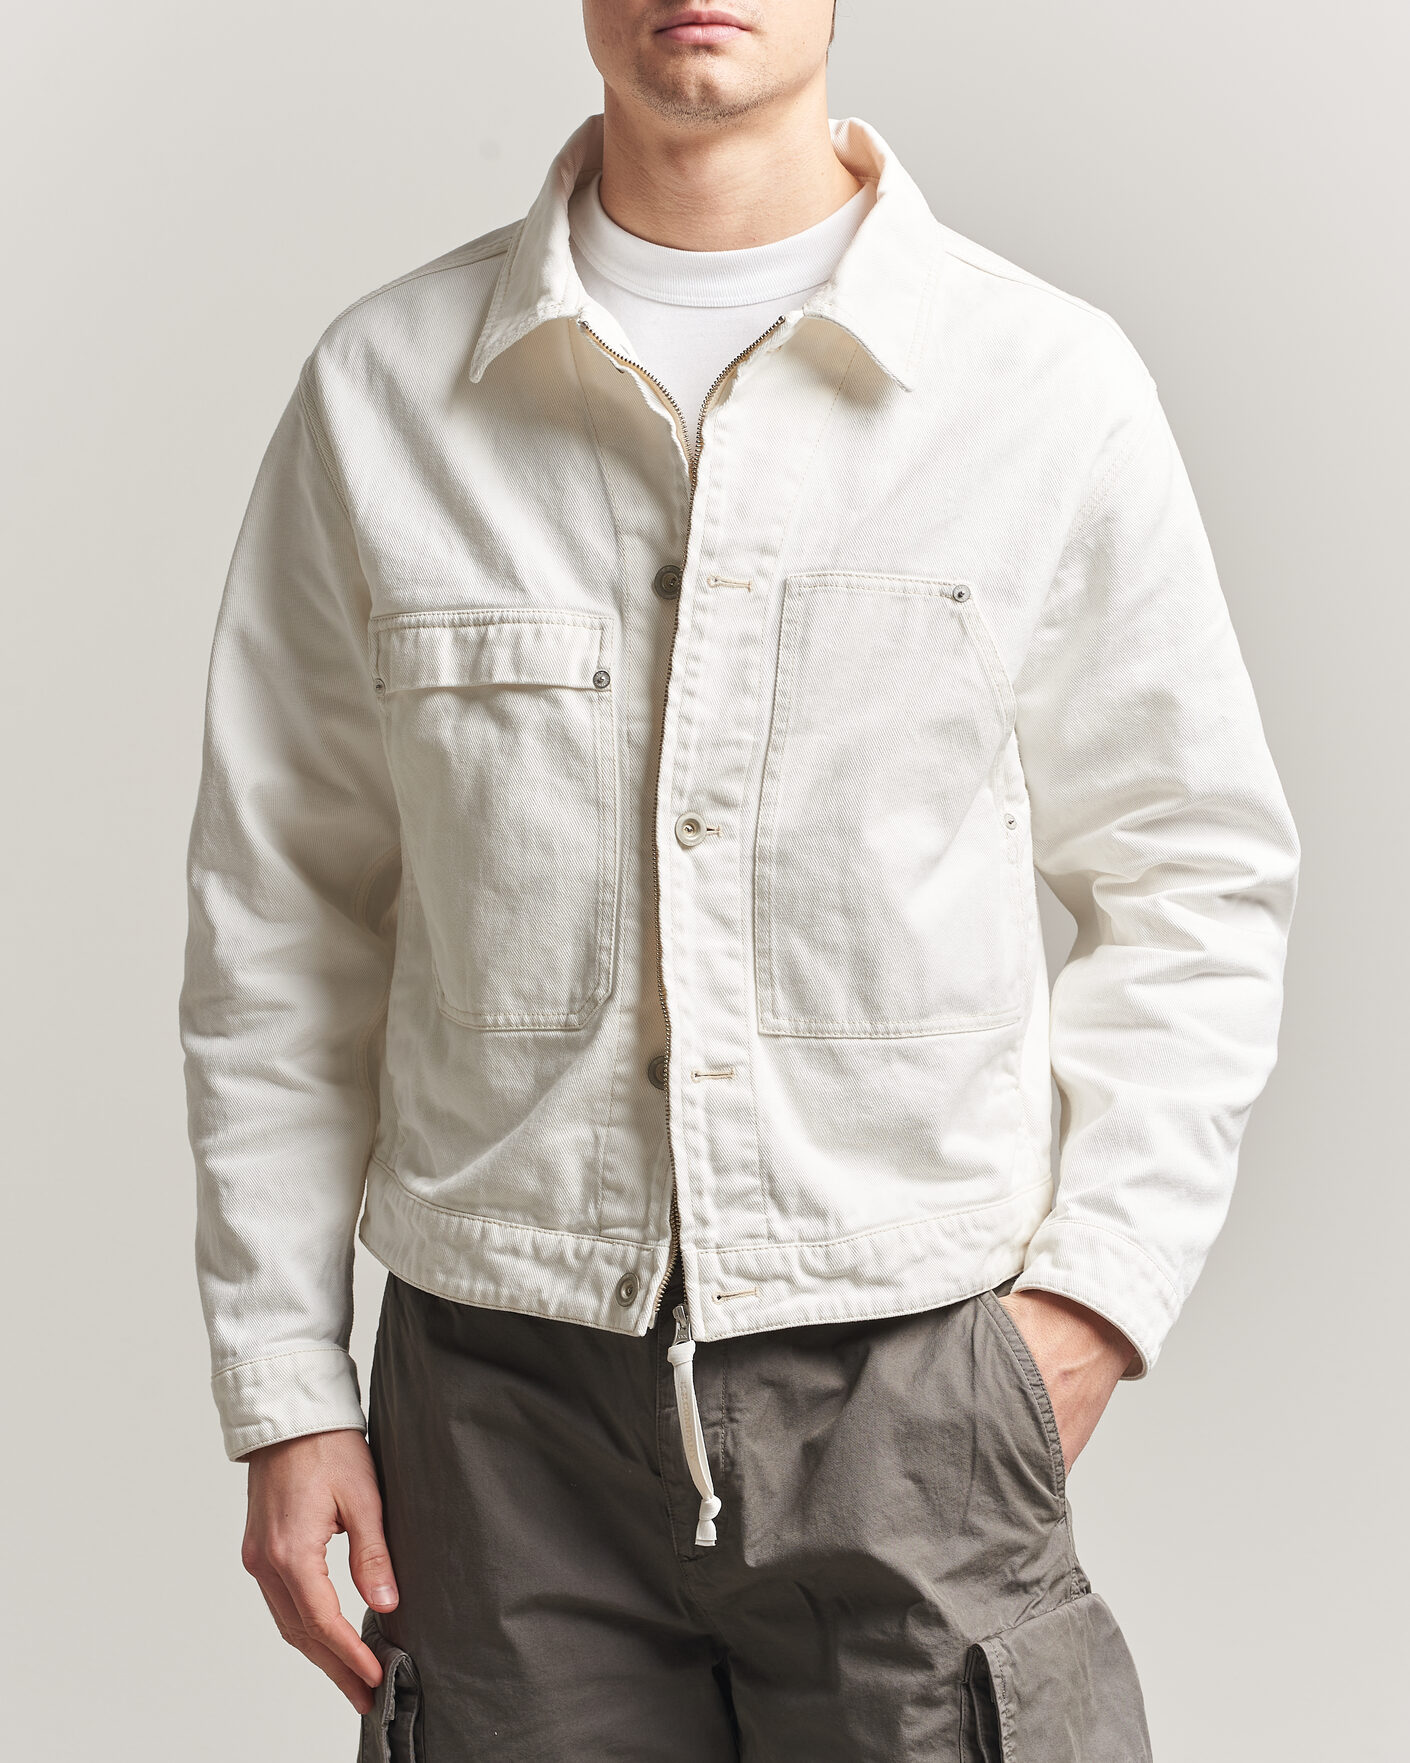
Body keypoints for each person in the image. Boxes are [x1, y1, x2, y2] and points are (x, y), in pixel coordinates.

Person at [178, 3, 1301, 1758]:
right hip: (495, 1408)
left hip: (910, 1380)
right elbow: (282, 915)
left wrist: (1089, 1303)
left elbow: (1194, 871)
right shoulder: (384, 388)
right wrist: (285, 1386)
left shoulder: (1036, 382)